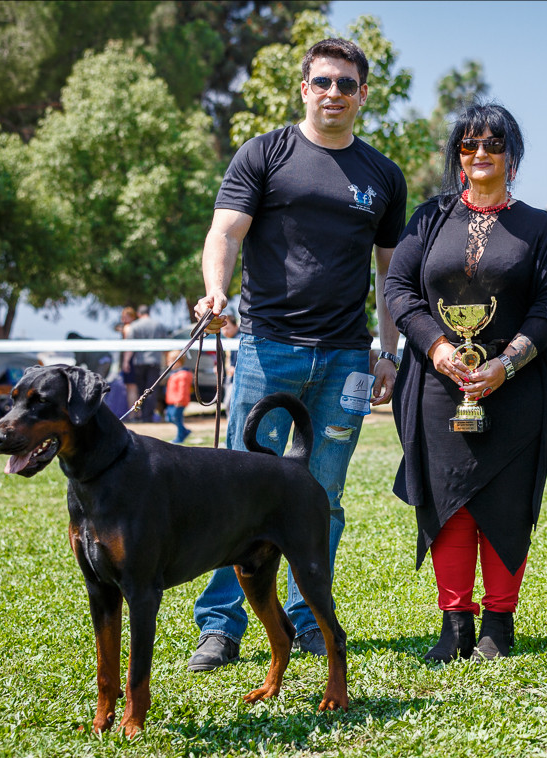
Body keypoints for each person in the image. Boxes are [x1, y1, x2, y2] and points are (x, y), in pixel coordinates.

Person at [187, 37, 407, 671]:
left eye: (346, 84)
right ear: (304, 88)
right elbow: (225, 231)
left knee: (323, 497)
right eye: (323, 82)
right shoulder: (266, 153)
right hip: (265, 346)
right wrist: (214, 292)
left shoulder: (383, 176)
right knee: (235, 492)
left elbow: (389, 276)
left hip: (345, 359)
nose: (333, 93)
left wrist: (386, 352)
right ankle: (221, 626)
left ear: (363, 94)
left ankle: (310, 619)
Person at [385, 103, 547, 662]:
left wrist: (506, 362)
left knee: (506, 503)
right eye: (469, 146)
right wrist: (440, 349)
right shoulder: (428, 218)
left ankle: (497, 624)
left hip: (515, 386)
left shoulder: (537, 225)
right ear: (458, 157)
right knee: (447, 501)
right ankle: (454, 625)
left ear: (512, 157)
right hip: (438, 383)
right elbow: (399, 289)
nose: (481, 154)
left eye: (494, 144)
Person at [125, 305, 169, 421]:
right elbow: (166, 345)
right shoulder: (159, 325)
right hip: (154, 361)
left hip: (139, 362)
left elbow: (130, 347)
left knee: (141, 390)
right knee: (151, 390)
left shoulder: (134, 326)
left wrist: (126, 362)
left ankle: (142, 414)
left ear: (139, 314)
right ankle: (148, 416)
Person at [164, 358, 194, 444]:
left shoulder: (183, 374)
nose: (168, 363)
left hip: (178, 402)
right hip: (172, 401)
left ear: (178, 362)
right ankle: (185, 431)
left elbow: (183, 389)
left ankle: (180, 437)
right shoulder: (175, 373)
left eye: (170, 361)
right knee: (169, 418)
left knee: (176, 419)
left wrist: (180, 400)